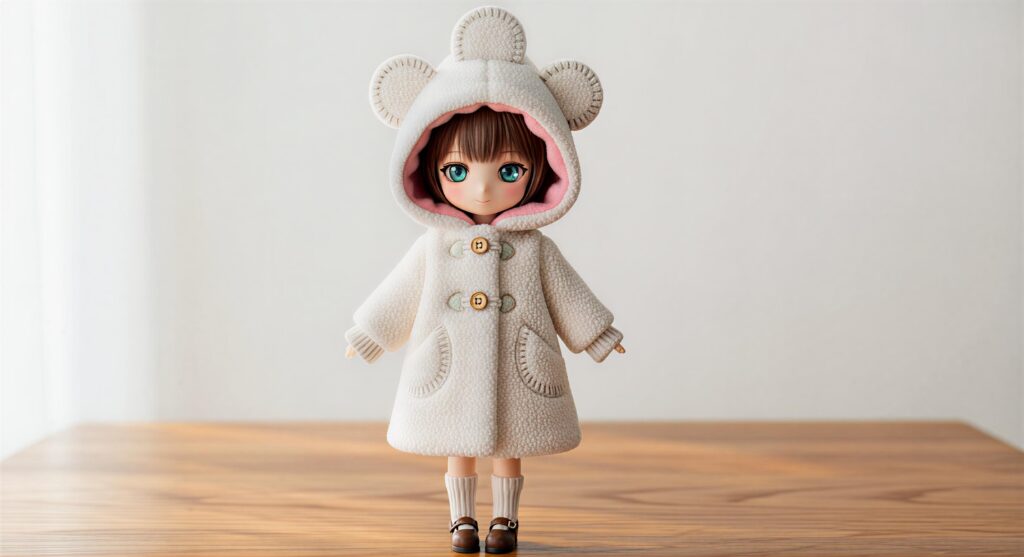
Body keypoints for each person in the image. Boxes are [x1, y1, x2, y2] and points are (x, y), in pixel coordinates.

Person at [345, 6, 624, 553]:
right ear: (425, 167)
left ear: (546, 167)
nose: (482, 189)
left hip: (519, 366)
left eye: (509, 170)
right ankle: (461, 520)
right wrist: (371, 331)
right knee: (457, 442)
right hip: (448, 364)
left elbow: (566, 293)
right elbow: (400, 292)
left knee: (510, 444)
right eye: (457, 170)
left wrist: (597, 333)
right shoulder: (434, 247)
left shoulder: (534, 248)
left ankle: (507, 520)